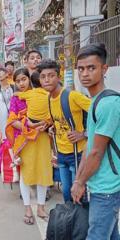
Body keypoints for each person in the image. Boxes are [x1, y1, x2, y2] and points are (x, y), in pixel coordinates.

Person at [71, 43, 120, 240]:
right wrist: (78, 180)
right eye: (81, 69)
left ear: (104, 69)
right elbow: (89, 147)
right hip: (100, 185)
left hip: (107, 188)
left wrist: (80, 182)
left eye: (91, 68)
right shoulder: (95, 101)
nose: (85, 74)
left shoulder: (108, 104)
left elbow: (96, 153)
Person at [6, 68, 53, 225]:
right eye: (18, 81)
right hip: (25, 140)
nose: (21, 83)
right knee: (26, 174)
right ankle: (27, 208)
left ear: (30, 79)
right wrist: (29, 127)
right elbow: (12, 120)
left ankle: (40, 208)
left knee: (43, 172)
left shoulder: (43, 94)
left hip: (43, 138)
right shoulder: (16, 98)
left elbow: (51, 116)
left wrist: (45, 125)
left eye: (23, 79)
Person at [39, 59, 90, 202]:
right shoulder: (49, 98)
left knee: (79, 196)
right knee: (67, 194)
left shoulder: (72, 96)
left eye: (51, 75)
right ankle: (72, 222)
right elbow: (56, 119)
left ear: (59, 76)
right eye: (43, 77)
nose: (47, 80)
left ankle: (81, 223)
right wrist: (51, 128)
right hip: (61, 154)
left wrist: (84, 134)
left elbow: (100, 112)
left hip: (77, 154)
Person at [0, 67, 14, 140]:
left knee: (12, 138)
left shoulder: (13, 88)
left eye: (1, 72)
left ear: (6, 74)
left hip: (13, 118)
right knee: (2, 139)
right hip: (1, 119)